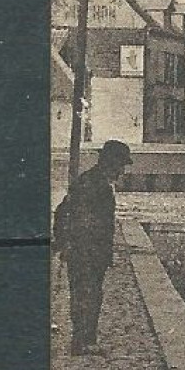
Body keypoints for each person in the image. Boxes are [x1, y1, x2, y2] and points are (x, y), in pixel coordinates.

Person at [53, 140, 132, 355]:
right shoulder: (92, 184)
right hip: (85, 252)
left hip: (91, 252)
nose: (122, 170)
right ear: (110, 162)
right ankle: (82, 342)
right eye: (120, 165)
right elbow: (67, 214)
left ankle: (85, 340)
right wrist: (67, 244)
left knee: (90, 295)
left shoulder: (95, 182)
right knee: (85, 295)